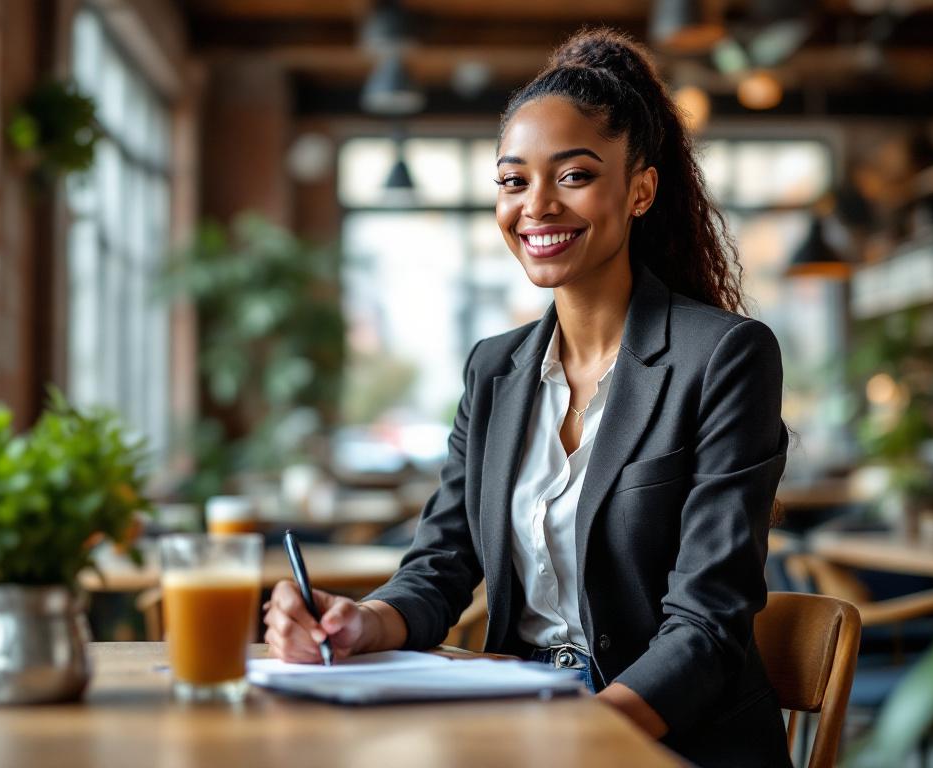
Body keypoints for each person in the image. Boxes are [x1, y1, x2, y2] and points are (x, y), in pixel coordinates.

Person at [264, 27, 791, 768]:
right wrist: (363, 622)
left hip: (667, 738)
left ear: (640, 189)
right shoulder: (494, 371)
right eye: (514, 182)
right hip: (518, 722)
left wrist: (579, 737)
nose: (537, 206)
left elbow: (707, 624)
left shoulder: (726, 356)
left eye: (573, 176)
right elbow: (440, 566)